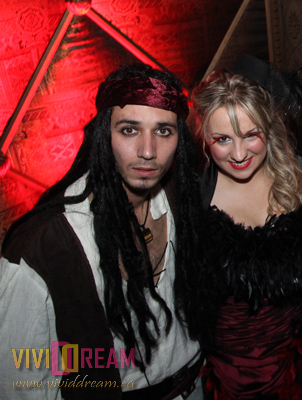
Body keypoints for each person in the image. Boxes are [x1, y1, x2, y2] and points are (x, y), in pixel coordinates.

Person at [0, 64, 203, 400]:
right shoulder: (42, 248)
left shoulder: (183, 202)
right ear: (103, 135)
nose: (148, 151)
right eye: (129, 130)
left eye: (163, 131)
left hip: (195, 384)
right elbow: (20, 386)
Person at [177, 56, 302, 399]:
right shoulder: (194, 205)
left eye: (251, 135)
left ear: (268, 128)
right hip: (233, 379)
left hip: (301, 370)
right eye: (222, 139)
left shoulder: (296, 177)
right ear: (203, 137)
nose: (238, 154)